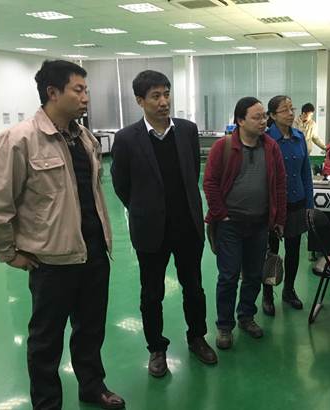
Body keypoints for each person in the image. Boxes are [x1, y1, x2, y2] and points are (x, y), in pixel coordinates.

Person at [0, 60, 125, 410]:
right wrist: (9, 253)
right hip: (52, 262)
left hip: (93, 253)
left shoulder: (84, 138)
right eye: (78, 90)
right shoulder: (19, 139)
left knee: (91, 330)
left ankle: (92, 386)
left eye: (86, 90)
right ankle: (46, 403)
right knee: (46, 340)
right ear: (52, 93)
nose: (86, 97)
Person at [111, 70, 217, 378]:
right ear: (140, 100)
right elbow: (121, 184)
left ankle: (197, 337)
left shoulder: (186, 131)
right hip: (150, 231)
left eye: (166, 94)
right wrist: (144, 209)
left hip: (187, 227)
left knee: (194, 288)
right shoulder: (127, 138)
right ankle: (156, 348)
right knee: (151, 294)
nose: (163, 102)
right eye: (155, 96)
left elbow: (191, 174)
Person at [203, 96, 286, 349]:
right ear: (240, 120)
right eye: (257, 117)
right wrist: (221, 214)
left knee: (253, 275)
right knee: (228, 276)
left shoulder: (271, 147)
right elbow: (210, 183)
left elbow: (280, 184)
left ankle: (246, 316)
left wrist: (278, 219)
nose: (263, 122)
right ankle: (224, 326)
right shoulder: (223, 147)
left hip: (259, 224)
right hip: (230, 225)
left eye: (264, 116)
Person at [262, 95, 314, 316]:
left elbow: (305, 174)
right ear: (273, 115)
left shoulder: (299, 137)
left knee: (293, 251)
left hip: (296, 203)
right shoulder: (265, 140)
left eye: (292, 109)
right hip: (272, 207)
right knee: (270, 252)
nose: (291, 113)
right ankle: (267, 295)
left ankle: (289, 290)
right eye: (285, 110)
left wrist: (309, 204)